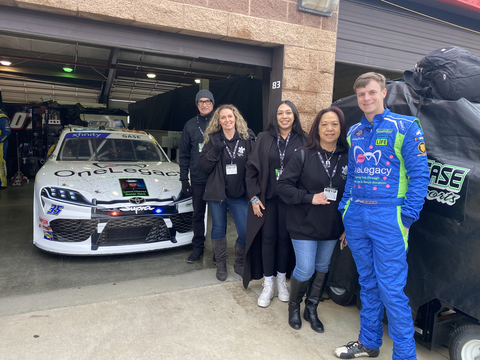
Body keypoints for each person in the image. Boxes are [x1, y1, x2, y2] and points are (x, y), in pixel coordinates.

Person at [334, 72, 430, 359]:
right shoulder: (353, 133)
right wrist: (345, 210)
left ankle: (404, 355)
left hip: (390, 216)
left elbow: (420, 176)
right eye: (361, 94)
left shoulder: (406, 127)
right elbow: (351, 176)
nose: (366, 98)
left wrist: (407, 217)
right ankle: (369, 342)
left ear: (384, 93)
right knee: (367, 282)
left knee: (391, 288)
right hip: (357, 216)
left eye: (372, 92)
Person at [277, 106, 348, 333]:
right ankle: (294, 307)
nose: (329, 128)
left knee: (321, 268)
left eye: (334, 124)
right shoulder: (303, 154)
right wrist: (309, 198)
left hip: (332, 226)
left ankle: (312, 308)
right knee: (305, 269)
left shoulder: (348, 157)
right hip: (304, 224)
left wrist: (348, 227)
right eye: (324, 124)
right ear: (317, 128)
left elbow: (353, 193)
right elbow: (283, 187)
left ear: (341, 128)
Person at [243, 100, 306, 308]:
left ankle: (282, 281)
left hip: (291, 201)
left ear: (294, 116)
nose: (284, 116)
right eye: (280, 113)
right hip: (266, 200)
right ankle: (268, 283)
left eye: (289, 112)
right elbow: (251, 170)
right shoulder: (263, 138)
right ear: (275, 117)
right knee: (268, 239)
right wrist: (253, 197)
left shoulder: (303, 140)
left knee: (284, 239)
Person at [199, 104, 255, 281]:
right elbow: (205, 166)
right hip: (218, 194)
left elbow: (255, 166)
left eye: (230, 116)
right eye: (223, 117)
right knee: (218, 228)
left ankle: (239, 261)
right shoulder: (212, 138)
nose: (227, 120)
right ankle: (221, 263)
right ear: (218, 120)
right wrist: (215, 150)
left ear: (236, 118)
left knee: (246, 231)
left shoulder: (246, 138)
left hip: (239, 194)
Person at [179, 90, 215, 263]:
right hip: (198, 178)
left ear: (212, 103)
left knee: (218, 217)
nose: (204, 104)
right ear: (197, 104)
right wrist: (183, 179)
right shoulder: (190, 125)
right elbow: (184, 154)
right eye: (200, 101)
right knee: (198, 215)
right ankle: (198, 248)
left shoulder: (221, 122)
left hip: (217, 179)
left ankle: (218, 250)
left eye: (207, 101)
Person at [0, 109, 11, 189]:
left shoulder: (2, 117)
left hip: (1, 145)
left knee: (1, 162)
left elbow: (7, 131)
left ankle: (2, 183)